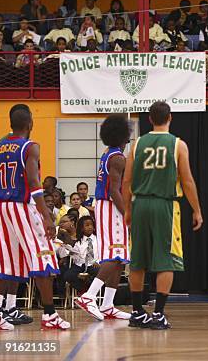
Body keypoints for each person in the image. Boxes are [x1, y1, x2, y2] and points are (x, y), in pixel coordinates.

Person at [123, 101, 203, 329]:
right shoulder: (178, 144)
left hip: (140, 204)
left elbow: (127, 180)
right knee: (166, 260)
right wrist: (197, 209)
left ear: (149, 119)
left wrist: (128, 209)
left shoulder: (137, 144)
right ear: (170, 118)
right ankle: (158, 314)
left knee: (137, 261)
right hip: (165, 205)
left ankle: (137, 313)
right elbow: (187, 180)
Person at [0, 107, 70, 330]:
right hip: (22, 206)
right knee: (44, 257)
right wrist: (46, 215)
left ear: (11, 123)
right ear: (30, 123)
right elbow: (33, 181)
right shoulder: (30, 146)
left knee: (5, 262)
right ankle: (49, 315)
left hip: (1, 207)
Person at [75, 115, 131, 321]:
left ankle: (108, 305)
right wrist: (127, 213)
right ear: (124, 136)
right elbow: (115, 191)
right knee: (114, 255)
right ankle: (89, 296)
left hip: (106, 205)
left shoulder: (108, 153)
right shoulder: (117, 158)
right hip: (110, 206)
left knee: (120, 258)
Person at [63, 216, 100, 293]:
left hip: (94, 264)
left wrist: (99, 262)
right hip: (80, 265)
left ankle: (91, 291)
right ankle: (83, 290)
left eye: (91, 225)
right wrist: (72, 253)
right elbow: (75, 256)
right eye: (87, 225)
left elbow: (102, 253)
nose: (90, 227)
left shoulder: (99, 240)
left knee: (99, 274)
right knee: (68, 275)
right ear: (82, 229)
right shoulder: (78, 242)